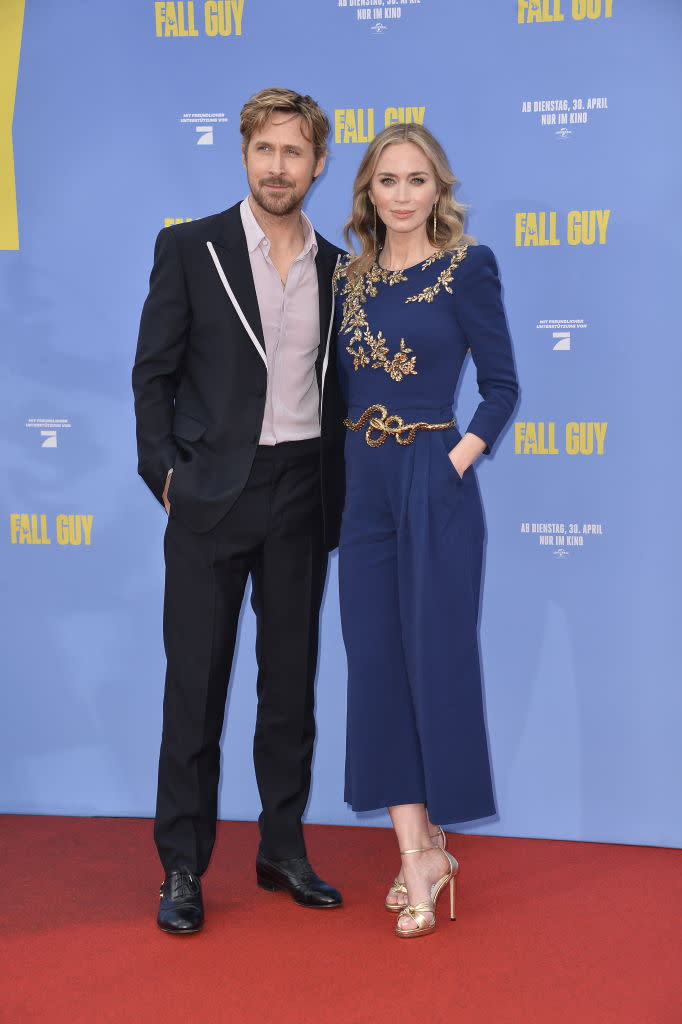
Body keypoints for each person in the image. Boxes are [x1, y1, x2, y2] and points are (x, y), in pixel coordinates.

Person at [133, 87, 347, 934]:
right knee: (196, 689)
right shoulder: (190, 248)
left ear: (318, 165)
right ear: (245, 155)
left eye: (295, 153)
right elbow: (152, 373)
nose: (278, 167)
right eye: (265, 150)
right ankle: (181, 867)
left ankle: (282, 849)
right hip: (209, 498)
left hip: (302, 491)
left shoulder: (341, 268)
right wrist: (166, 478)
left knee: (289, 689)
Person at [334, 123, 518, 938]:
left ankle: (426, 852)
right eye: (387, 181)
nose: (402, 196)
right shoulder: (349, 279)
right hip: (361, 485)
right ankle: (419, 850)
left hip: (430, 478)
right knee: (375, 663)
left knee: (430, 661)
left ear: (438, 189)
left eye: (417, 180)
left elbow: (503, 386)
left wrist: (452, 461)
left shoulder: (466, 267)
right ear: (367, 193)